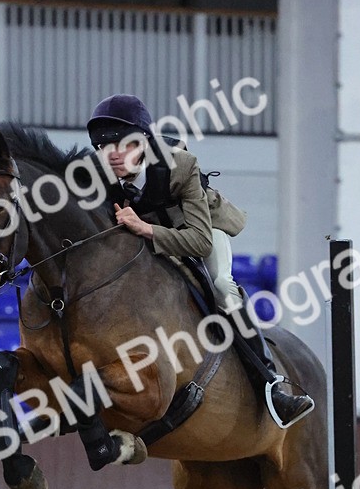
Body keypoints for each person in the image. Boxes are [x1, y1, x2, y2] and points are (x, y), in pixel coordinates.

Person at [86, 93, 315, 429]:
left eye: (122, 144)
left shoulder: (180, 166)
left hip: (202, 230)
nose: (113, 155)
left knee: (222, 288)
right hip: (152, 239)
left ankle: (272, 386)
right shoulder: (101, 178)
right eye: (103, 147)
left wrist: (145, 228)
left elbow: (199, 240)